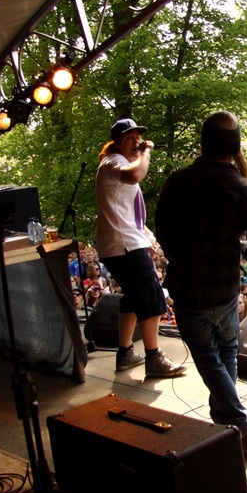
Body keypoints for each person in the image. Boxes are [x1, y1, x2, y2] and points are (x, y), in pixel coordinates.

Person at [156, 111, 247, 454]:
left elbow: (163, 232)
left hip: (188, 288)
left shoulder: (177, 182)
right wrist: (239, 247)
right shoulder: (243, 188)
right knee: (226, 354)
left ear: (203, 142)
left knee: (209, 358)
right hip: (225, 289)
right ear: (234, 147)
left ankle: (237, 424)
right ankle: (230, 424)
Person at [96, 118, 186, 378]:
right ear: (116, 143)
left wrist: (146, 236)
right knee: (151, 298)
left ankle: (125, 353)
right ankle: (154, 358)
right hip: (123, 246)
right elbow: (136, 173)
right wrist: (146, 151)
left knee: (134, 299)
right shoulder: (115, 162)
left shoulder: (116, 163)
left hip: (123, 243)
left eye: (138, 137)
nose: (136, 142)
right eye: (129, 138)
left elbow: (122, 210)